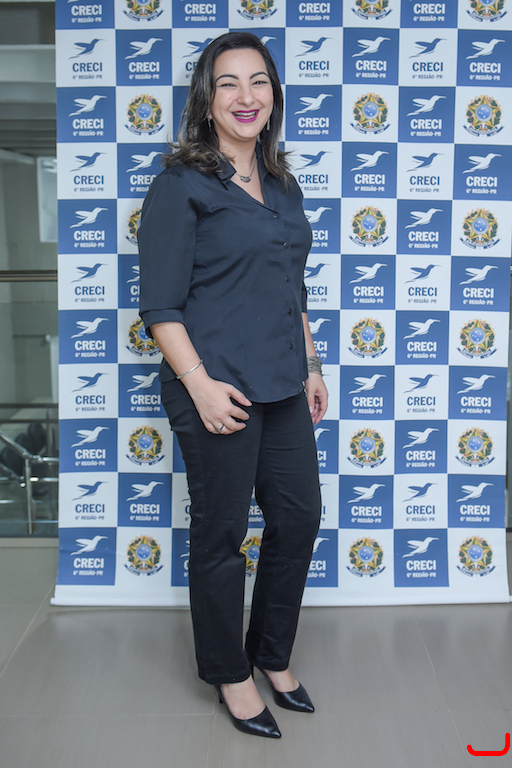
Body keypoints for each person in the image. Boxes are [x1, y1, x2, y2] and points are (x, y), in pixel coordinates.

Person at [138, 31, 328, 739]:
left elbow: (291, 286)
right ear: (207, 98)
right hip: (215, 387)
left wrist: (312, 366)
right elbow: (160, 307)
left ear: (274, 93)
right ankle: (229, 672)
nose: (246, 96)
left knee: (298, 519)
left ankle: (271, 653)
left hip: (281, 381)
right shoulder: (180, 184)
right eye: (228, 83)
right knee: (221, 535)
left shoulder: (281, 183)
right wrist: (201, 387)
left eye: (259, 81)